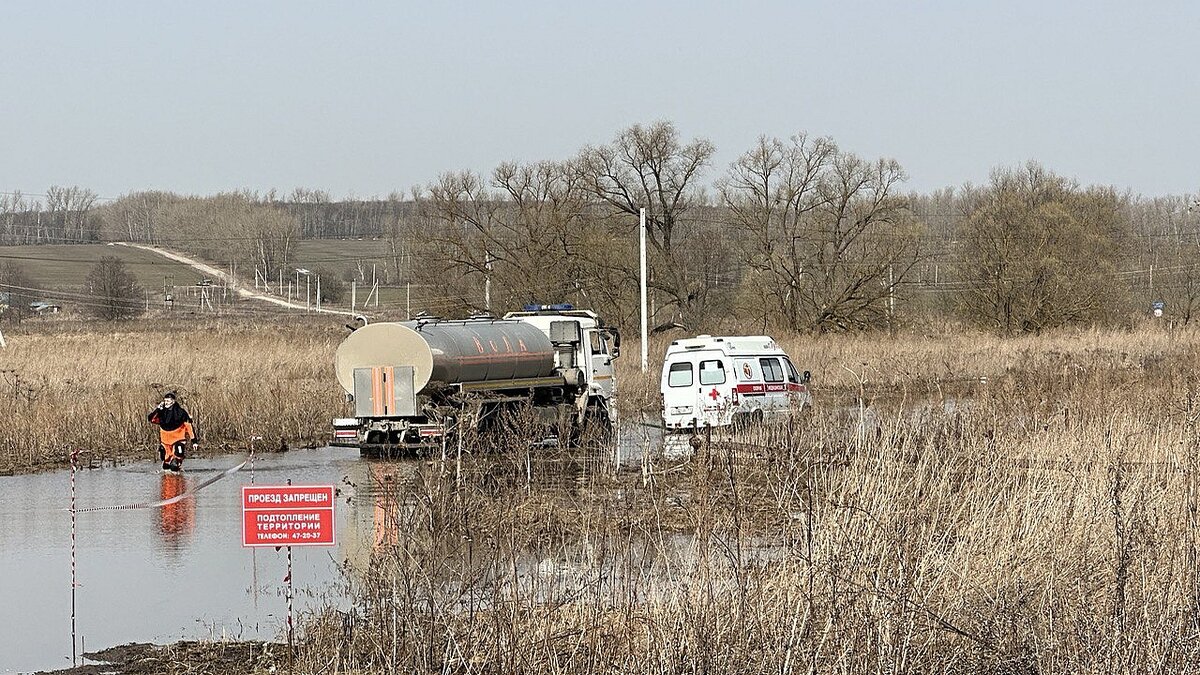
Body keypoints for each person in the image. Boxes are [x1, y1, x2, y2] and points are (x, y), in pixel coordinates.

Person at [147, 392, 197, 471]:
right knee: (166, 465)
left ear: (173, 401)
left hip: (178, 439)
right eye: (165, 401)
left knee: (174, 463)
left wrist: (194, 441)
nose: (166, 403)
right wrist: (157, 409)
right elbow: (151, 419)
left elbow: (189, 426)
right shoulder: (161, 412)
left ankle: (178, 476)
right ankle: (168, 475)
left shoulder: (181, 412)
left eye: (168, 401)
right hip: (165, 441)